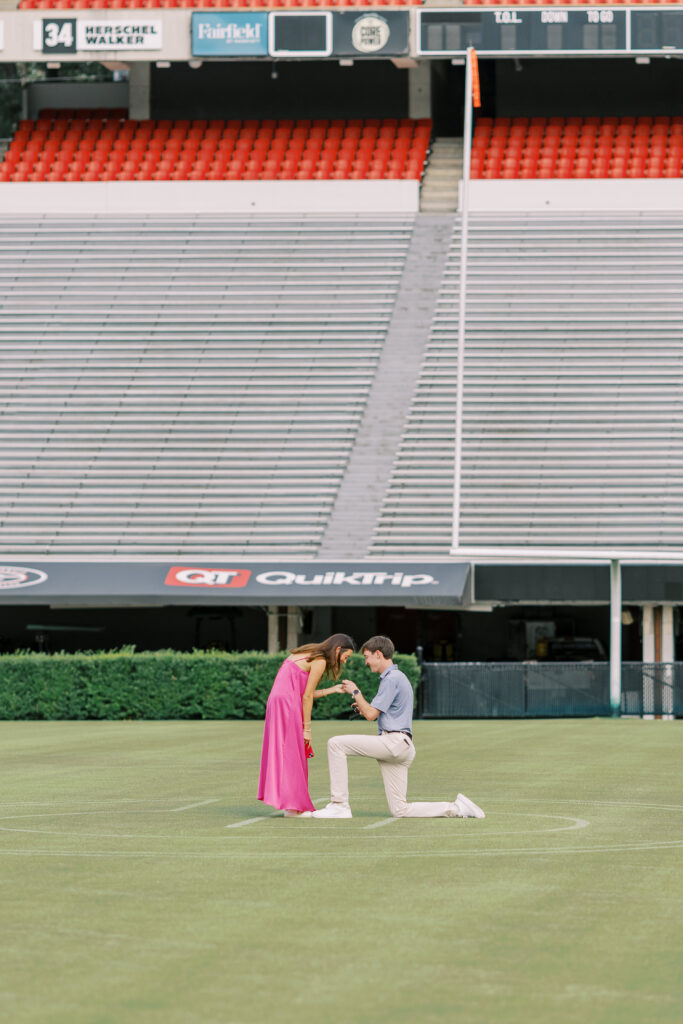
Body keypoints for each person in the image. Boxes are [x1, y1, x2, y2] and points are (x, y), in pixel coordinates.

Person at [312, 635, 485, 820]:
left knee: (335, 743)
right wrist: (362, 705)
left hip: (393, 742)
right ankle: (457, 808)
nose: (366, 662)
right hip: (402, 746)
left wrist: (355, 691)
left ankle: (339, 805)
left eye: (367, 656)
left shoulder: (391, 678)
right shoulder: (395, 677)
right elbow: (374, 711)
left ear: (378, 654)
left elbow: (371, 714)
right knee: (400, 810)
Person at [258, 633, 356, 818]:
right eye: (346, 656)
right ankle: (294, 807)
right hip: (287, 704)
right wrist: (307, 729)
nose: (345, 660)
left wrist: (332, 689)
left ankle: (290, 805)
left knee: (285, 752)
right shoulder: (320, 660)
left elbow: (302, 691)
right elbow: (306, 696)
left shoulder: (308, 652)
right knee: (293, 753)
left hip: (278, 702)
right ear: (337, 649)